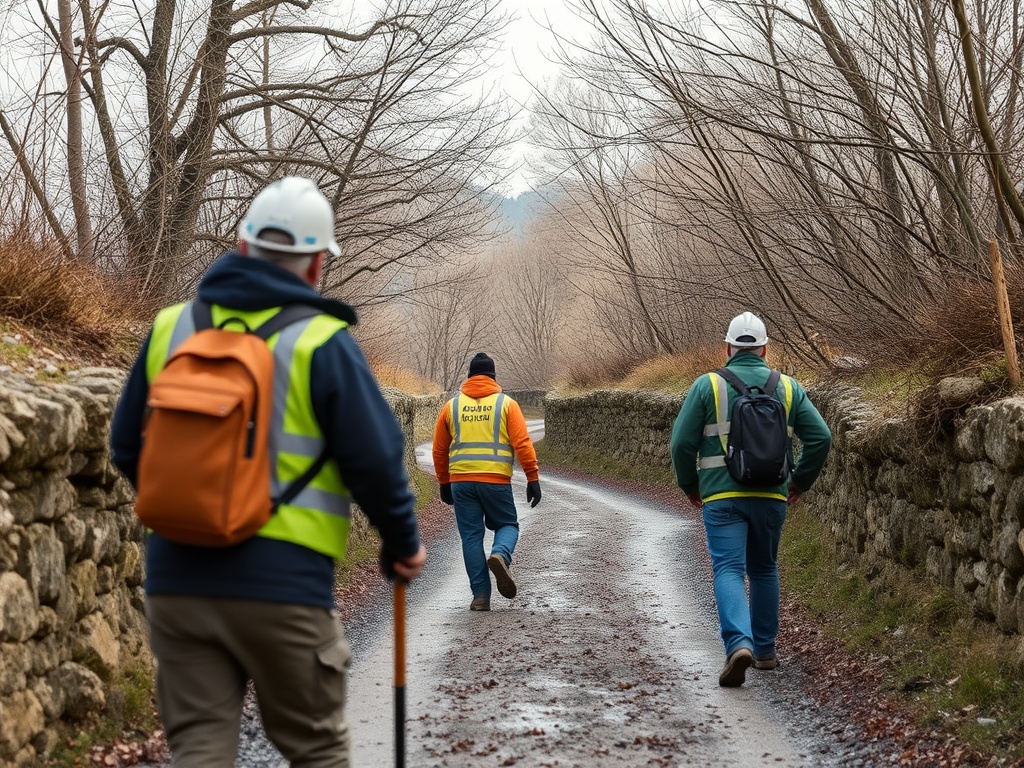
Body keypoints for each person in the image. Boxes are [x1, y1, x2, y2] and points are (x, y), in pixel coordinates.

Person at [110, 176, 427, 767]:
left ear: (243, 245)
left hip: (177, 582)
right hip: (284, 588)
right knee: (315, 748)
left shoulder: (171, 328)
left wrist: (191, 510)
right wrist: (402, 542)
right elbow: (377, 459)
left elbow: (128, 448)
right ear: (315, 265)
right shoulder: (322, 341)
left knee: (200, 745)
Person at [669, 311, 831, 687]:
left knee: (728, 568)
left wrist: (690, 485)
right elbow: (821, 438)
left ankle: (737, 643)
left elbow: (681, 443)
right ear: (764, 350)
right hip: (773, 495)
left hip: (722, 497)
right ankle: (765, 650)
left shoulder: (708, 385)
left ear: (726, 348)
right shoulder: (789, 388)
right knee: (764, 569)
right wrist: (799, 482)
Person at [432, 352, 541, 611]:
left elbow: (438, 450)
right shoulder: (506, 404)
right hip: (495, 481)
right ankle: (500, 554)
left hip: (461, 483)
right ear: (493, 376)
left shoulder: (452, 406)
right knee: (507, 524)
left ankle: (480, 597)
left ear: (469, 376)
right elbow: (523, 444)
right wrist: (532, 477)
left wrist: (444, 482)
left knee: (471, 537)